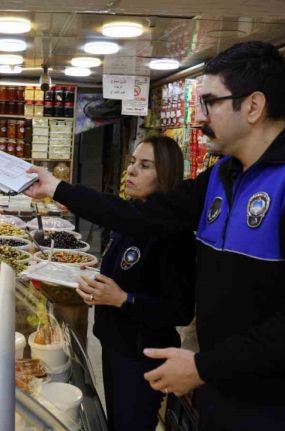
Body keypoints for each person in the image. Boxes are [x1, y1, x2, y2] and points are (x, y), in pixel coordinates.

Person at [25, 41, 285, 430]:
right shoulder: (222, 175)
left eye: (209, 103)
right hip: (226, 387)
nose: (199, 117)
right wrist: (58, 189)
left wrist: (204, 365)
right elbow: (143, 217)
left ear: (252, 106)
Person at [77, 136, 195, 431]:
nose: (131, 171)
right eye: (132, 162)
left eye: (144, 166)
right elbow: (121, 276)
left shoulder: (174, 236)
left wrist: (123, 299)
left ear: (165, 174)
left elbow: (179, 311)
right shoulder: (130, 220)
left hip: (142, 357)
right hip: (114, 343)